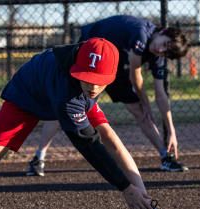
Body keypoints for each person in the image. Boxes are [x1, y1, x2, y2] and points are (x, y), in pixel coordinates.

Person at [0, 38, 156, 209]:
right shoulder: (69, 94)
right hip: (28, 93)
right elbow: (89, 146)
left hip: (62, 90)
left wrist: (137, 193)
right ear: (77, 68)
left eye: (99, 81)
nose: (93, 87)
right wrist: (125, 188)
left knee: (110, 135)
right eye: (86, 77)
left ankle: (144, 199)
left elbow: (108, 142)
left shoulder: (89, 73)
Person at [27, 15, 190, 176]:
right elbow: (135, 76)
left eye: (166, 52)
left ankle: (165, 157)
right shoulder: (141, 33)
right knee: (65, 105)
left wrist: (172, 131)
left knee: (141, 112)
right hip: (90, 59)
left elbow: (161, 94)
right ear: (164, 32)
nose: (161, 50)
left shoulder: (157, 55)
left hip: (114, 66)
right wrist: (146, 103)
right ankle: (38, 157)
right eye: (165, 44)